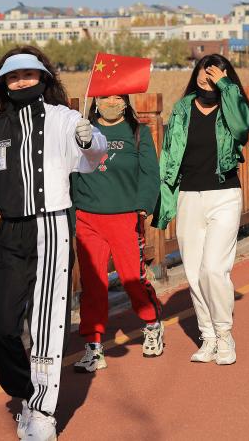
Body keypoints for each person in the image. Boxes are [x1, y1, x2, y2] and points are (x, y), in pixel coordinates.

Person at [0, 47, 107, 441]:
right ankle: (27, 391)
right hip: (11, 231)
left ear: (43, 79)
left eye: (28, 75)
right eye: (13, 77)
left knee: (48, 320)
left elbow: (95, 152)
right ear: (3, 84)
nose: (21, 82)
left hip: (52, 227)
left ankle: (43, 412)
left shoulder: (64, 117)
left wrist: (89, 139)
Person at [153, 54, 249, 365]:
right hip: (188, 196)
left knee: (214, 269)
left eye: (216, 72)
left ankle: (225, 334)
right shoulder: (183, 108)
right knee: (193, 271)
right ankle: (208, 335)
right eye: (204, 69)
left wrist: (226, 87)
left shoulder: (233, 105)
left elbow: (244, 126)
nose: (208, 76)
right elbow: (169, 153)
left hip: (224, 195)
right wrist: (163, 196)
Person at [70, 94, 163, 372]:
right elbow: (71, 172)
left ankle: (151, 324)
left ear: (125, 101)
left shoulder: (137, 133)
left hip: (125, 217)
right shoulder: (82, 130)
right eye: (105, 97)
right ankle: (94, 346)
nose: (110, 102)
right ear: (95, 100)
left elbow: (150, 173)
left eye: (116, 97)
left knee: (132, 278)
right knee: (93, 284)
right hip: (88, 217)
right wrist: (73, 213)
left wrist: (143, 205)